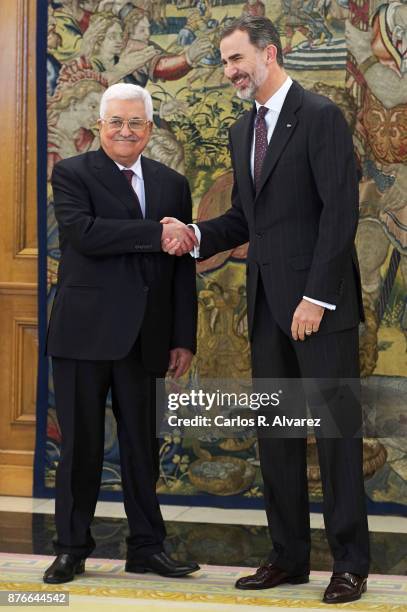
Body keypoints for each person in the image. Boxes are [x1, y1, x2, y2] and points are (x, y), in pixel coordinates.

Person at [162, 16, 370, 605]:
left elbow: (339, 214)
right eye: (224, 62)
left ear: (269, 53)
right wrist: (195, 235)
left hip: (320, 306)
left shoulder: (322, 117)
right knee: (276, 437)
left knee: (336, 436)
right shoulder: (242, 131)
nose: (230, 71)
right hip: (266, 304)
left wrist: (317, 296)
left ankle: (350, 563)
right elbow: (247, 224)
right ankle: (289, 557)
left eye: (236, 59)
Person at [44, 83, 198, 584]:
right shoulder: (71, 173)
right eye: (116, 122)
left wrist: (183, 337)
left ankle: (147, 548)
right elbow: (84, 234)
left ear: (150, 129)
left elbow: (181, 272)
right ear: (101, 125)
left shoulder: (173, 183)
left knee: (141, 449)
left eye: (135, 123)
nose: (125, 131)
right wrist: (156, 232)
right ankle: (71, 548)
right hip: (83, 336)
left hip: (147, 337)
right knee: (81, 449)